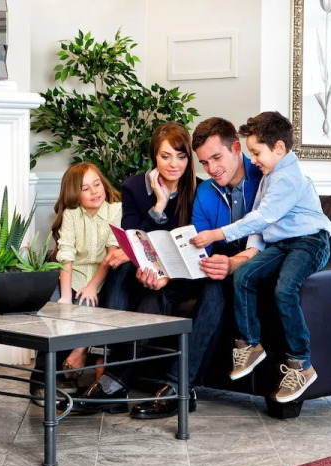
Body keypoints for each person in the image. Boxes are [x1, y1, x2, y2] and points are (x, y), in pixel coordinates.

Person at [74, 121, 226, 418]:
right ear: (154, 156)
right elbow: (133, 237)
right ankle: (114, 381)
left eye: (181, 157)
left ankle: (115, 383)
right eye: (165, 156)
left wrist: (165, 275)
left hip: (182, 273)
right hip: (146, 270)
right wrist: (159, 205)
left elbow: (197, 244)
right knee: (120, 267)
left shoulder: (200, 190)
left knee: (158, 296)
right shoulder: (134, 187)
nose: (174, 164)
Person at [126, 117, 266, 419]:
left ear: (236, 148)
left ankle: (177, 387)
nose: (212, 169)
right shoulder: (206, 192)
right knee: (160, 290)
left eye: (217, 158)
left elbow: (274, 239)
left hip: (255, 264)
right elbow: (200, 250)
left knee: (216, 287)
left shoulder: (264, 177)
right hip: (216, 262)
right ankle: (117, 377)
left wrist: (233, 263)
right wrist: (167, 275)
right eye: (204, 162)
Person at [191, 111, 331, 403]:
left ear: (278, 148)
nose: (253, 160)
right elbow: (261, 224)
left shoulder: (288, 178)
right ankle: (250, 345)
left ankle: (301, 364)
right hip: (282, 243)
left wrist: (218, 234)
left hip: (310, 241)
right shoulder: (270, 175)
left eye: (256, 153)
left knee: (285, 289)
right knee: (244, 275)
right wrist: (249, 253)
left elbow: (262, 216)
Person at [29, 161, 122, 405]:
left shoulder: (115, 210)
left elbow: (111, 254)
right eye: (85, 188)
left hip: (103, 277)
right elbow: (66, 256)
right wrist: (65, 297)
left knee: (87, 303)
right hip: (73, 275)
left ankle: (76, 357)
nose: (94, 191)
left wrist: (92, 286)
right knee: (55, 313)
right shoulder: (71, 214)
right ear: (74, 194)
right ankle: (41, 380)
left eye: (97, 184)